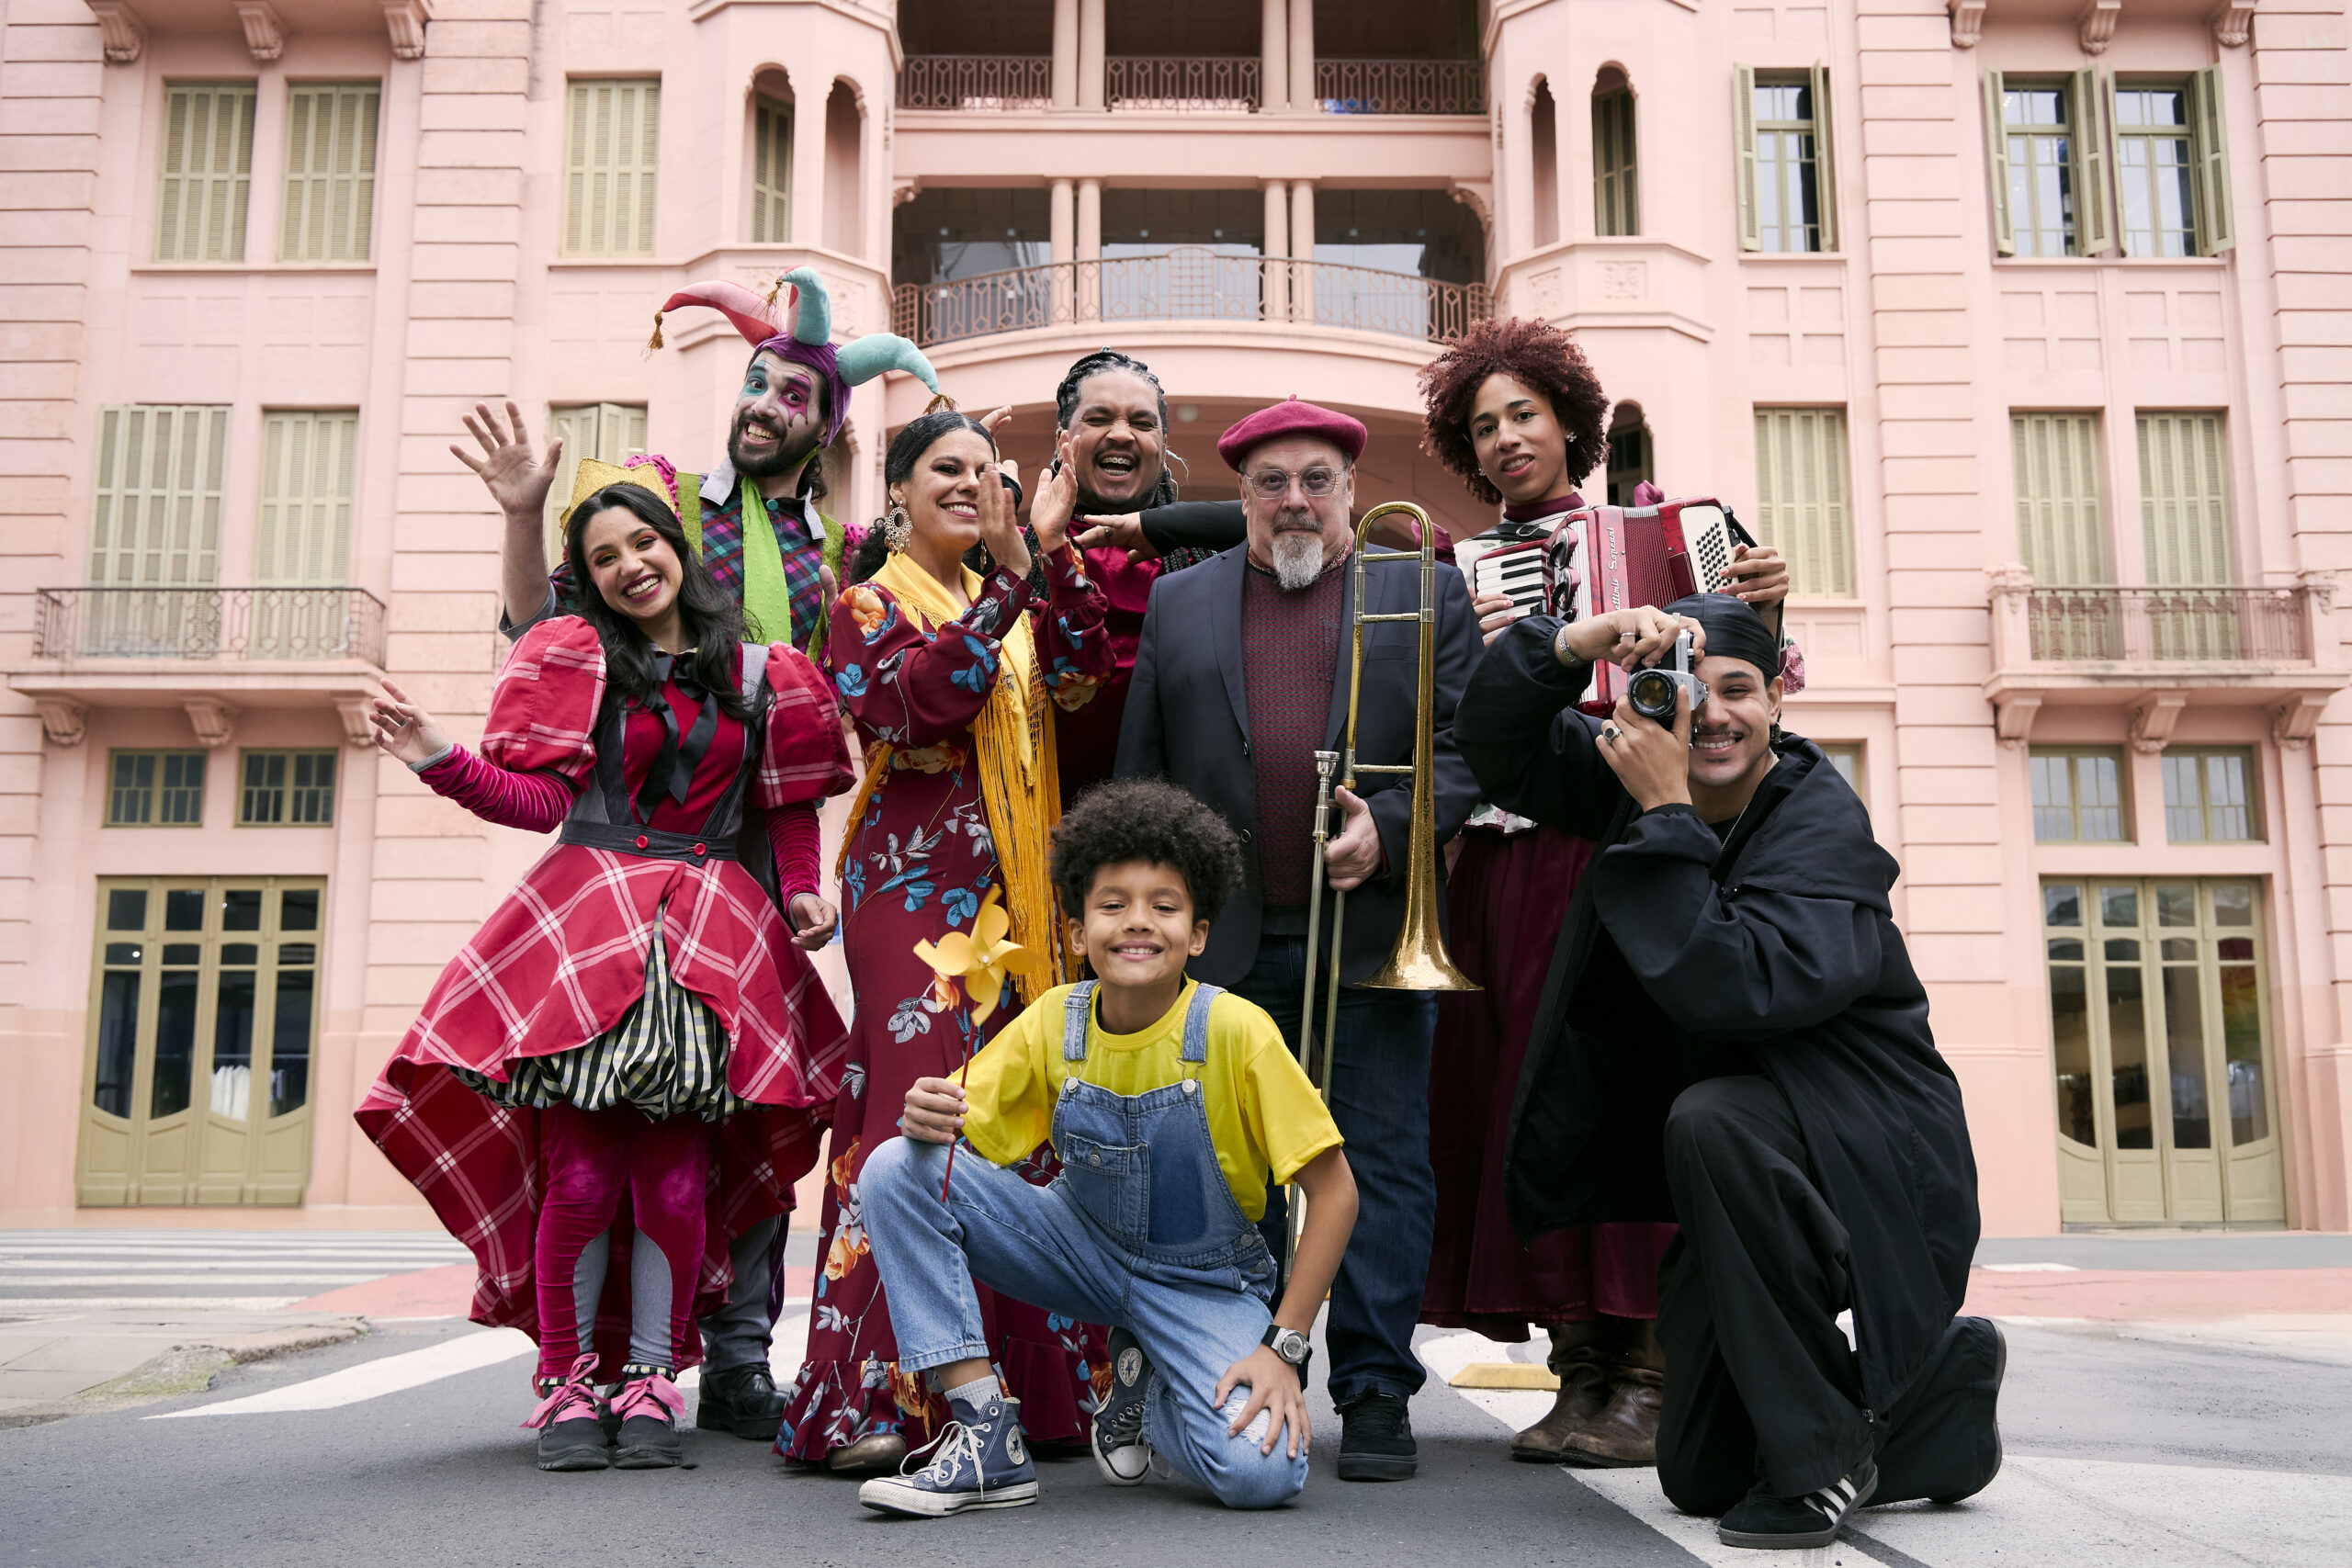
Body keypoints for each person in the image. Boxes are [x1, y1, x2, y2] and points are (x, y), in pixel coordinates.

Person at [452, 267, 945, 1442]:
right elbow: (542, 632)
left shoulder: (852, 548)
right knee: (609, 1123)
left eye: (792, 392)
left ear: (826, 423)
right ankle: (604, 1362)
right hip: (630, 840)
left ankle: (732, 1358)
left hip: (762, 847)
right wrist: (523, 514)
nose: (766, 402)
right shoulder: (659, 505)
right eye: (757, 381)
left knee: (756, 1098)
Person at [1456, 591, 2004, 1550]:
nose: (1710, 713)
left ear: (1777, 704)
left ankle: (1823, 1459)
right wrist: (1568, 645)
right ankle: (1937, 1416)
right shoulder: (1636, 777)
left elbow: (1735, 991)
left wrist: (1667, 811)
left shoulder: (1821, 825)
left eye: (1738, 689)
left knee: (1710, 1117)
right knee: (1700, 1473)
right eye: (1686, 688)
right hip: (1743, 1184)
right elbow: (1495, 741)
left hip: (1867, 1158)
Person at [355, 479, 855, 1472]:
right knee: (578, 1173)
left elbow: (789, 809)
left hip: (711, 936)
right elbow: (533, 801)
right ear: (585, 580)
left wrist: (802, 893)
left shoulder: (765, 673)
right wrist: (431, 754)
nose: (630, 565)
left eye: (642, 543)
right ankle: (567, 1380)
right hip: (586, 932)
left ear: (676, 546)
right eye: (602, 558)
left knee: (675, 1175)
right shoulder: (574, 664)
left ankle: (652, 1379)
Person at [1413, 317, 1791, 1469]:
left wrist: (1766, 611)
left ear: (1572, 422)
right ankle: (1581, 1364)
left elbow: (1758, 690)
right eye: (1483, 427)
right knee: (1520, 1098)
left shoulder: (1683, 531)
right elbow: (1462, 721)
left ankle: (1647, 1366)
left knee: (1608, 1085)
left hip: (1623, 841)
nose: (1507, 438)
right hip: (1500, 854)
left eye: (1523, 413)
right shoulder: (1464, 571)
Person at [1115, 396, 1481, 1482]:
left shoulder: (1424, 590)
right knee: (1229, 1178)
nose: (1294, 500)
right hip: (1222, 950)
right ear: (1241, 499)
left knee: (1378, 1166)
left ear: (1351, 493)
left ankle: (1373, 1393)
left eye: (1316, 479)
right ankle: (1247, 1374)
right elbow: (1142, 776)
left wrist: (1397, 825)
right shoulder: (1178, 604)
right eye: (1271, 482)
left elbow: (1468, 748)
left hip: (1369, 940)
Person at [853, 777, 1358, 1517]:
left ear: (1200, 931)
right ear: (1080, 928)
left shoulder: (1238, 1031)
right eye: (1112, 904)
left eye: (1164, 905)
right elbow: (955, 1137)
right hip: (1077, 1251)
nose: (1137, 924)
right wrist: (926, 1109)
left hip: (1204, 1285)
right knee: (898, 1166)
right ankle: (988, 1434)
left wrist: (1284, 1348)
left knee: (1263, 1476)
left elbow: (1336, 1191)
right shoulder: (1056, 1019)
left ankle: (1147, 1394)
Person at [778, 409, 1115, 1472]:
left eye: (985, 470)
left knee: (1013, 1124)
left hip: (1019, 901)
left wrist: (1044, 560)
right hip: (912, 895)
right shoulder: (863, 604)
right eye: (945, 469)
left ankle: (1027, 1392)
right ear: (899, 494)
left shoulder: (1005, 597)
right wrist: (1017, 583)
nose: (971, 485)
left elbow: (1079, 675)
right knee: (914, 1120)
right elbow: (917, 704)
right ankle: (882, 1401)